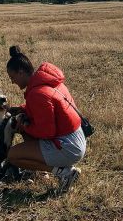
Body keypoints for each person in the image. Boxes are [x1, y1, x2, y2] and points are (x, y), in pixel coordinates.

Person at [5, 45, 85, 190]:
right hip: (75, 139)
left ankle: (64, 173)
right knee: (25, 128)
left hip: (68, 147)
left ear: (21, 72)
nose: (12, 82)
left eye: (13, 77)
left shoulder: (37, 94)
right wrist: (20, 110)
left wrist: (23, 125)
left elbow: (46, 132)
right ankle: (42, 170)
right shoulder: (46, 82)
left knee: (13, 156)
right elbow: (47, 111)